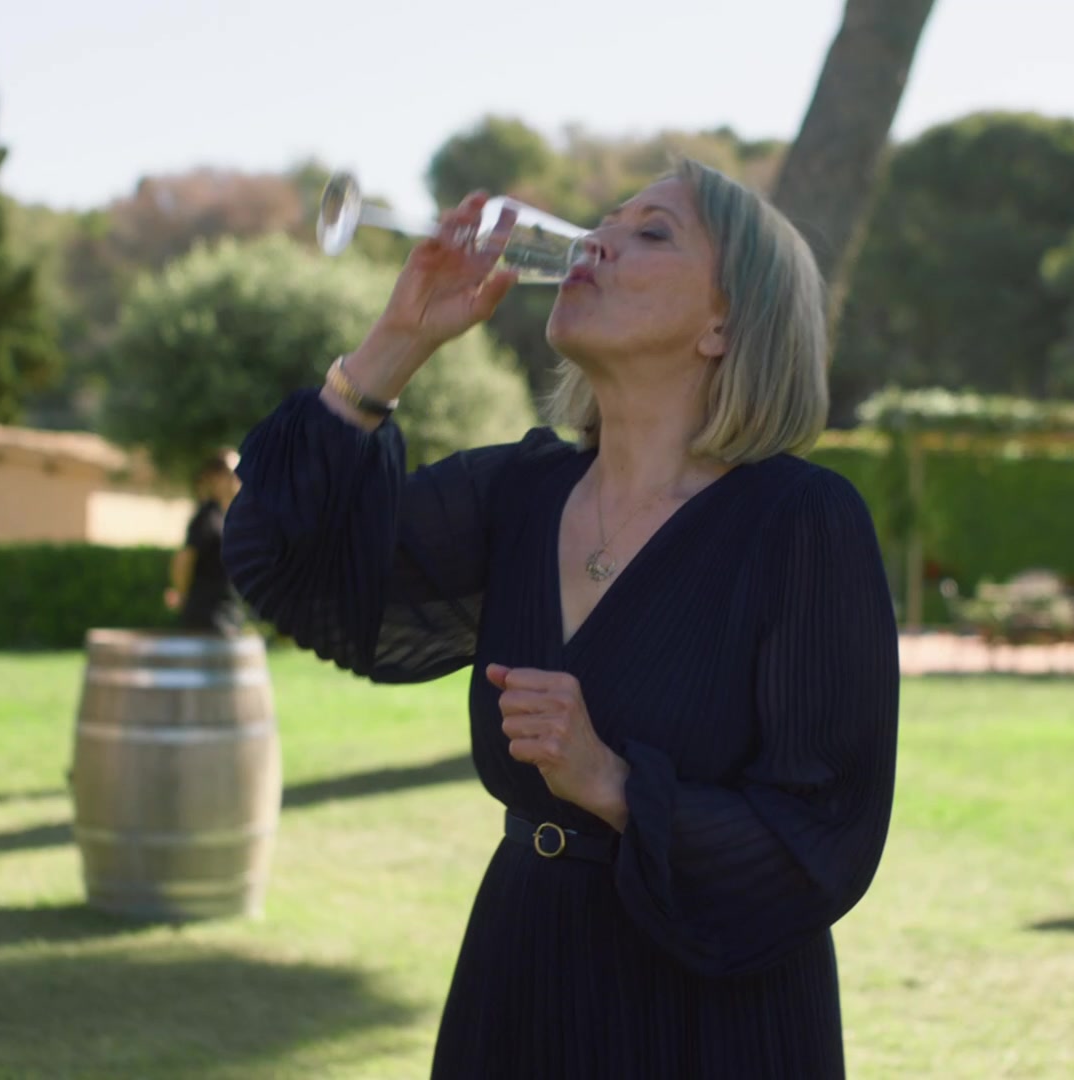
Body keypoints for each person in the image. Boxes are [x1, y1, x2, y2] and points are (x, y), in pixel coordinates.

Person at [223, 158, 899, 1078]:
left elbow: (826, 836)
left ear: (723, 324)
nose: (596, 243)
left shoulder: (802, 522)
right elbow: (290, 565)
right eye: (605, 221)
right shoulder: (519, 492)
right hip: (520, 980)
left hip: (709, 1020)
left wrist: (612, 782)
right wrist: (396, 344)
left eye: (651, 232)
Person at [165, 449, 246, 635]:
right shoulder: (207, 519)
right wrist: (181, 595)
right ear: (215, 478)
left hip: (229, 613)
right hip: (207, 616)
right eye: (232, 472)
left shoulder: (231, 517)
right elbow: (184, 559)